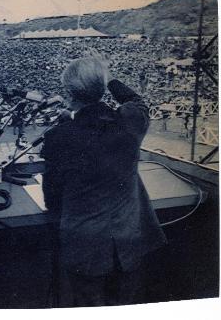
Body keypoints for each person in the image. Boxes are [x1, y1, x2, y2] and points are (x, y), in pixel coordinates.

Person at [41, 56, 166, 307]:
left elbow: (51, 198)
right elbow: (137, 101)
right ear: (101, 87)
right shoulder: (131, 122)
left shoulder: (58, 136)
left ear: (69, 92)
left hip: (85, 245)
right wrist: (106, 78)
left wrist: (71, 122)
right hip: (129, 239)